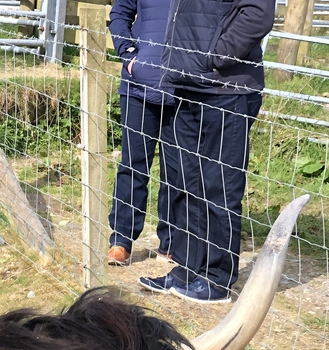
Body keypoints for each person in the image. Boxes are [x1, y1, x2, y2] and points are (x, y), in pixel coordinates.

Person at [138, 0, 275, 301]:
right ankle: (188, 268)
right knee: (188, 183)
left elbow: (258, 13)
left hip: (225, 89)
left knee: (219, 187)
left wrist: (214, 57)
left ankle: (217, 279)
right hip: (189, 84)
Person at [107, 0, 177, 267]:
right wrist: (128, 53)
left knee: (178, 169)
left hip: (182, 85)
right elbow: (120, 13)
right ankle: (121, 240)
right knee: (133, 164)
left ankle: (172, 241)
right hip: (138, 86)